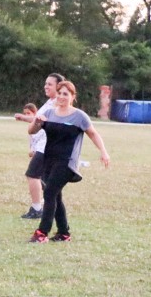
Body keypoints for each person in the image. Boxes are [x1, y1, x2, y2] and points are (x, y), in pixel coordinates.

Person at [28, 81, 110, 243]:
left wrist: (103, 152)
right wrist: (37, 122)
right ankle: (64, 233)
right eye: (59, 93)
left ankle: (42, 233)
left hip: (67, 162)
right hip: (48, 160)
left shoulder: (79, 116)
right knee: (55, 196)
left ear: (73, 96)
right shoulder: (49, 113)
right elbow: (31, 130)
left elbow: (93, 134)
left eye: (65, 94)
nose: (61, 96)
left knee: (49, 192)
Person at [14, 73, 64, 219]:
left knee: (32, 174)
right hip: (41, 146)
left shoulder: (57, 103)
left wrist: (24, 117)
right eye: (45, 83)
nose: (45, 86)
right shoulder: (49, 102)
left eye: (49, 84)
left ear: (58, 86)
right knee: (44, 179)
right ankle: (50, 207)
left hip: (46, 146)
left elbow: (42, 121)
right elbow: (38, 120)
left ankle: (37, 208)